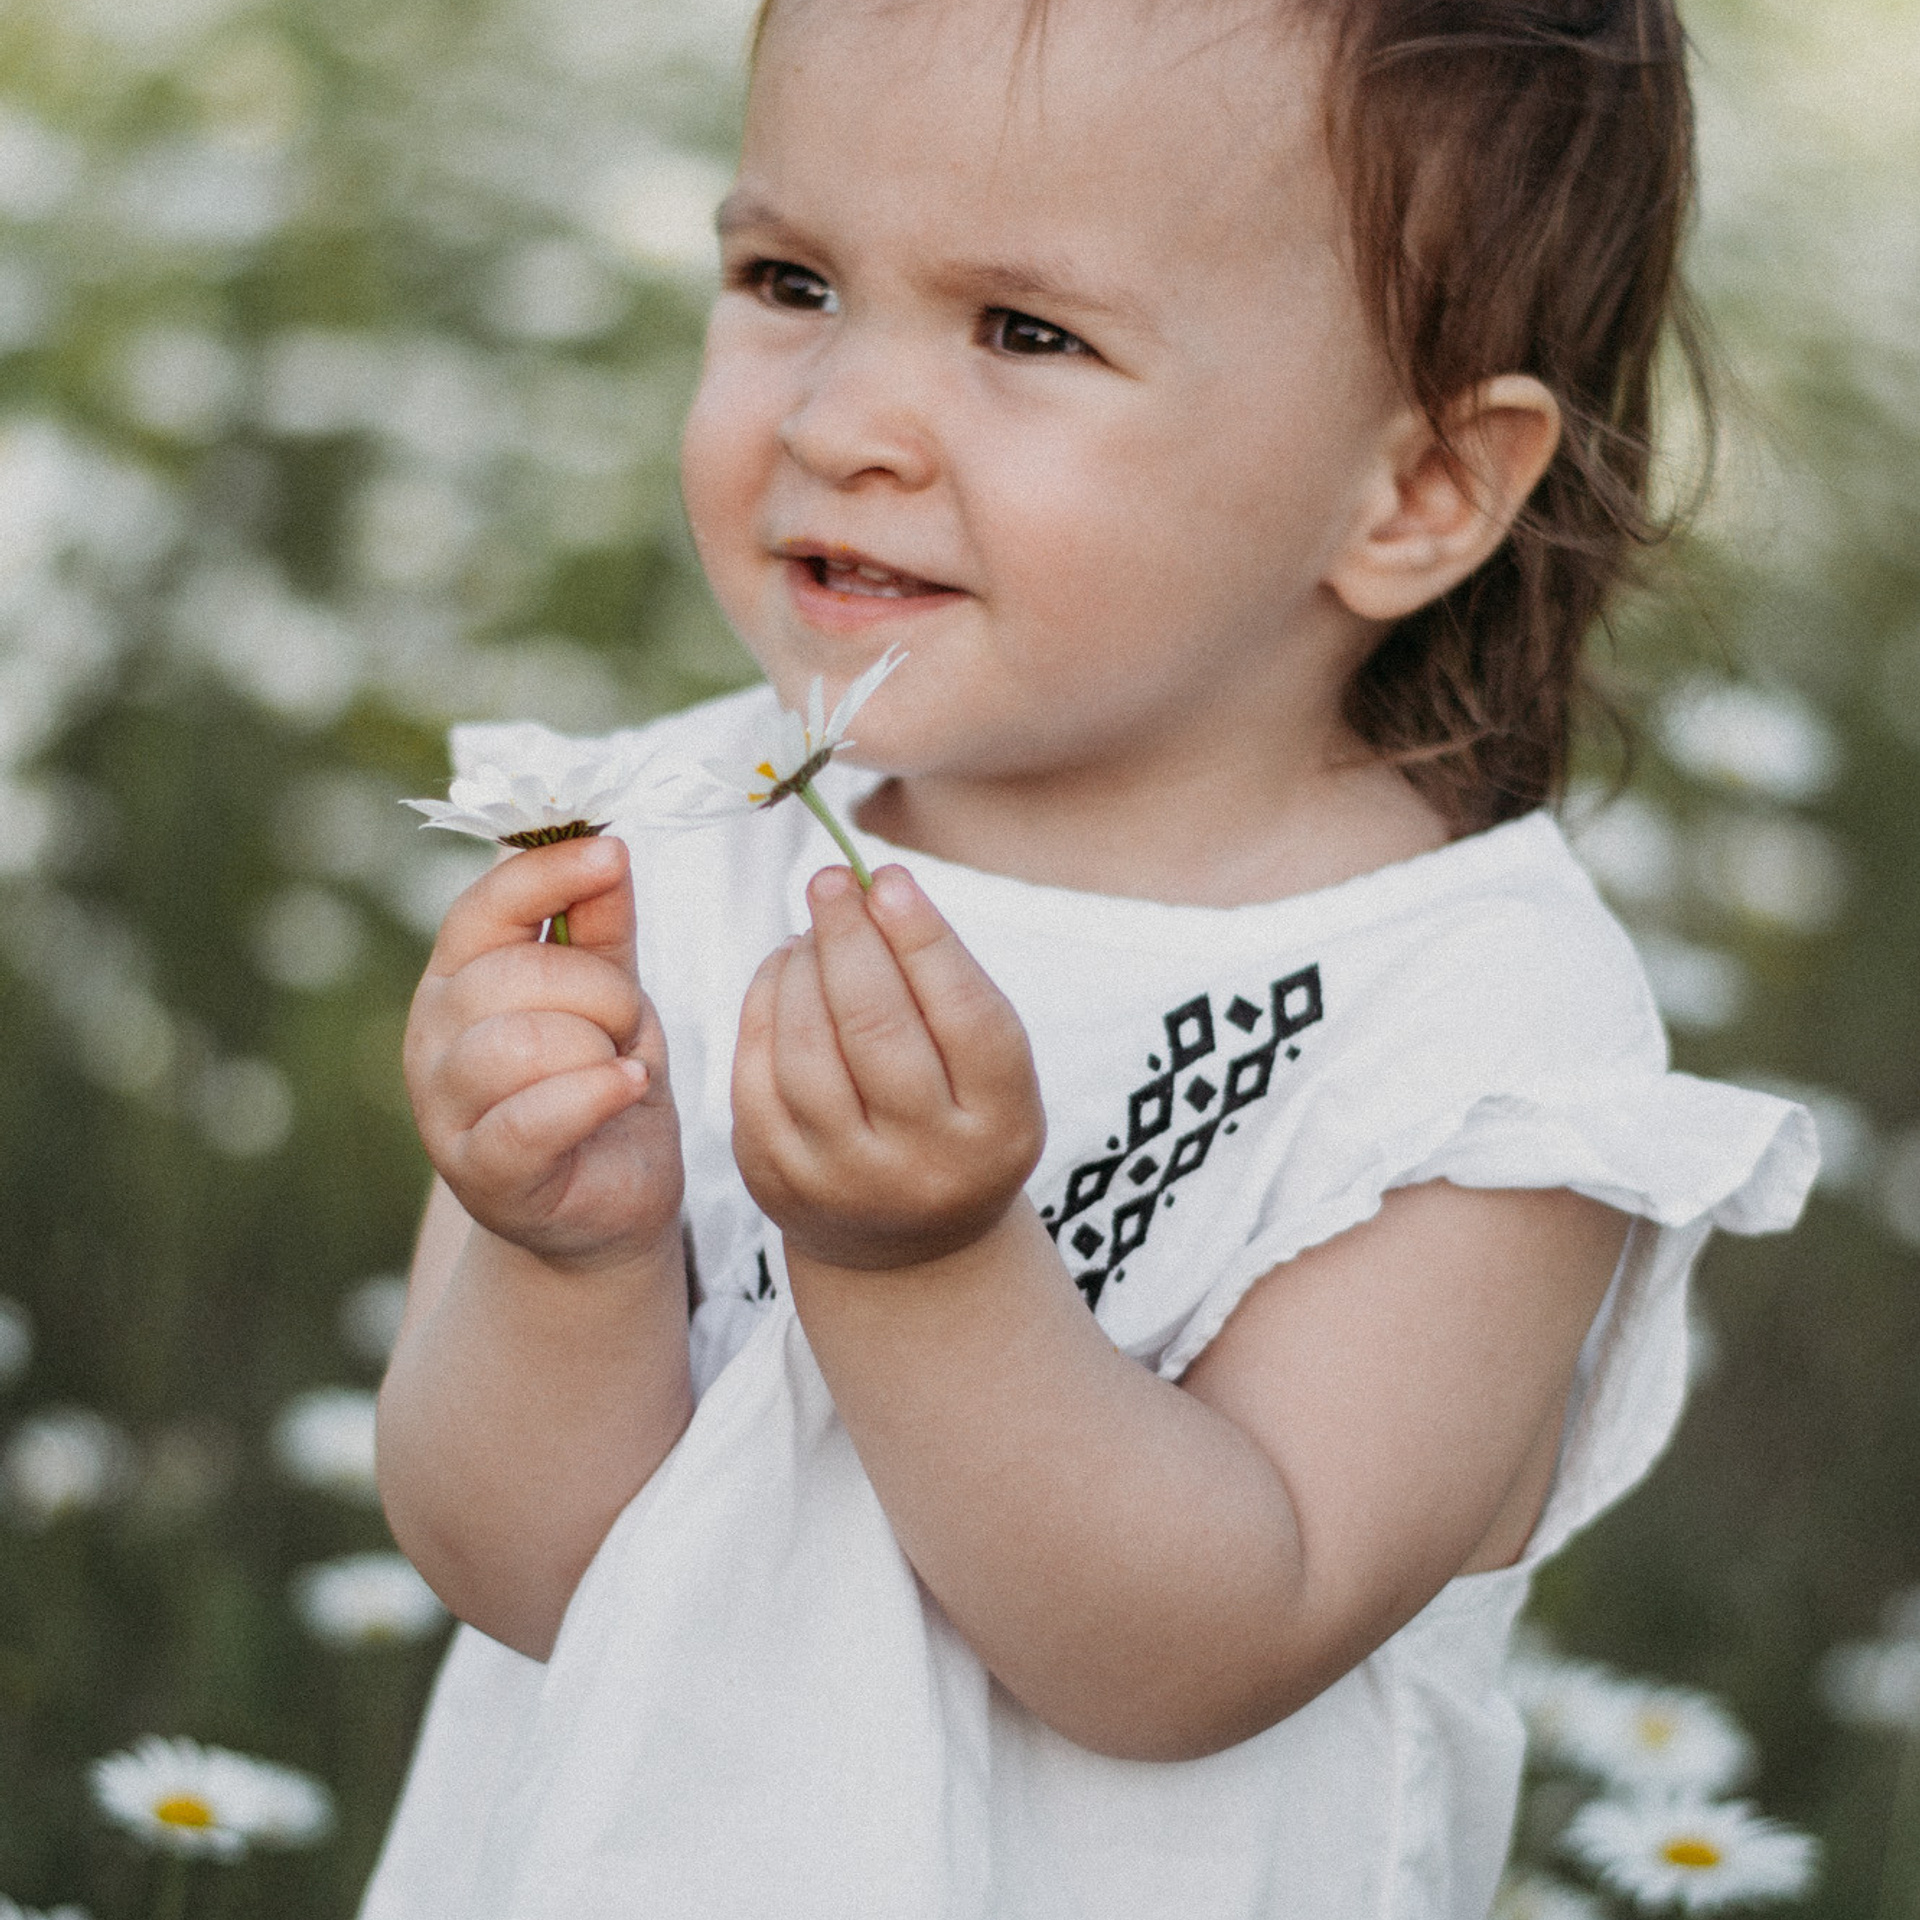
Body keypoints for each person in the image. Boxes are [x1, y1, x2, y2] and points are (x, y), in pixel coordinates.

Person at [363, 0, 1817, 1914]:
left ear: (1421, 489)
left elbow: (1192, 1655)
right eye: (789, 279)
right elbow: (523, 1577)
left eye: (1025, 332)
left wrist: (929, 1266)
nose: (834, 421)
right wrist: (564, 1255)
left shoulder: (1470, 1035)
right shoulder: (657, 843)